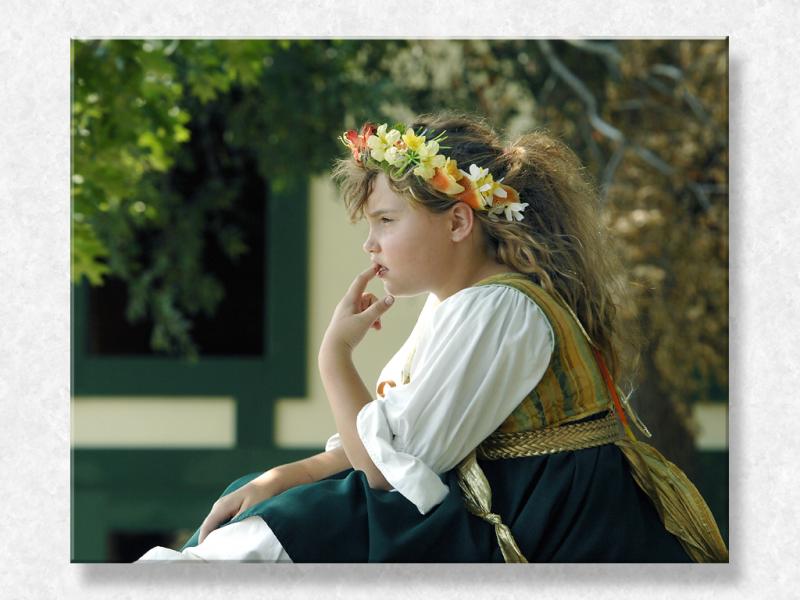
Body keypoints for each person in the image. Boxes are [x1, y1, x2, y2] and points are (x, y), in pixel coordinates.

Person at [137, 112, 728, 563]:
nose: (371, 244)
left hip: (547, 529)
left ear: (458, 221)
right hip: (501, 506)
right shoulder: (462, 303)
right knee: (265, 498)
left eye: (386, 221)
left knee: (310, 524)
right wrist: (283, 475)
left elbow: (388, 476)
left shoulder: (502, 308)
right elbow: (385, 443)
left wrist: (334, 356)